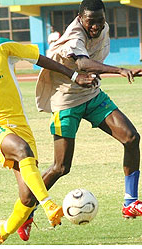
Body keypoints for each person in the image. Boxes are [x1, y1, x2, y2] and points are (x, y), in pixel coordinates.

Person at [0, 17, 98, 245]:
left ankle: (2, 233)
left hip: (20, 127)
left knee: (27, 198)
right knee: (21, 150)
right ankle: (48, 204)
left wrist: (74, 75)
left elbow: (38, 58)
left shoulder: (0, 48)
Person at [18, 0, 142, 241]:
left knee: (131, 137)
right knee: (61, 167)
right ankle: (27, 211)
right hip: (65, 101)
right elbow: (83, 63)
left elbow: (92, 65)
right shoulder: (74, 35)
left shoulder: (103, 27)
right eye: (90, 21)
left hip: (91, 95)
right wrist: (119, 70)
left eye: (100, 20)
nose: (95, 26)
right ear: (79, 18)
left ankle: (130, 201)